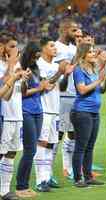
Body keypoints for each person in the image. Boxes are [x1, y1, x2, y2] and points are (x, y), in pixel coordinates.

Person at [34, 36, 73, 192]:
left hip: (55, 109)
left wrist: (66, 74)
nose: (55, 48)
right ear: (43, 48)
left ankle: (47, 177)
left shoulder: (54, 65)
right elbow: (45, 86)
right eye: (51, 46)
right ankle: (39, 180)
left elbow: (60, 87)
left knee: (51, 144)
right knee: (42, 144)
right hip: (44, 109)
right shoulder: (39, 65)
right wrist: (59, 71)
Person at [70, 43, 106, 187]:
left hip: (94, 112)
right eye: (91, 52)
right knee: (81, 146)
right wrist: (99, 80)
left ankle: (88, 177)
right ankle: (77, 179)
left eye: (94, 52)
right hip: (82, 112)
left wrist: (104, 67)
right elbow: (82, 90)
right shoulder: (78, 70)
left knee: (90, 146)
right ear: (83, 55)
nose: (94, 54)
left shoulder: (93, 70)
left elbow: (100, 88)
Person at [15, 41, 50, 198]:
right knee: (30, 150)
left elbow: (39, 91)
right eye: (34, 57)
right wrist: (39, 88)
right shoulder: (21, 69)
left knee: (32, 150)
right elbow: (22, 93)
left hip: (38, 110)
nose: (36, 60)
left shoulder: (36, 69)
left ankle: (25, 185)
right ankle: (21, 186)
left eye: (37, 57)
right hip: (26, 111)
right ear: (29, 54)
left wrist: (44, 88)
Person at [0, 33, 28, 200]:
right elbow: (3, 89)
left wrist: (23, 79)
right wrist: (10, 67)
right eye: (11, 46)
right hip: (4, 116)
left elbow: (18, 92)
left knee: (11, 153)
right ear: (2, 47)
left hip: (17, 115)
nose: (15, 50)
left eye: (16, 46)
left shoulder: (17, 64)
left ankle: (4, 190)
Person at [54, 19, 79, 180]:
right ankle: (46, 172)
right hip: (61, 96)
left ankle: (67, 167)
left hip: (75, 95)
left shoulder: (72, 47)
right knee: (57, 135)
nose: (77, 33)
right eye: (74, 30)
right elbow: (63, 69)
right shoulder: (56, 47)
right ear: (64, 30)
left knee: (73, 133)